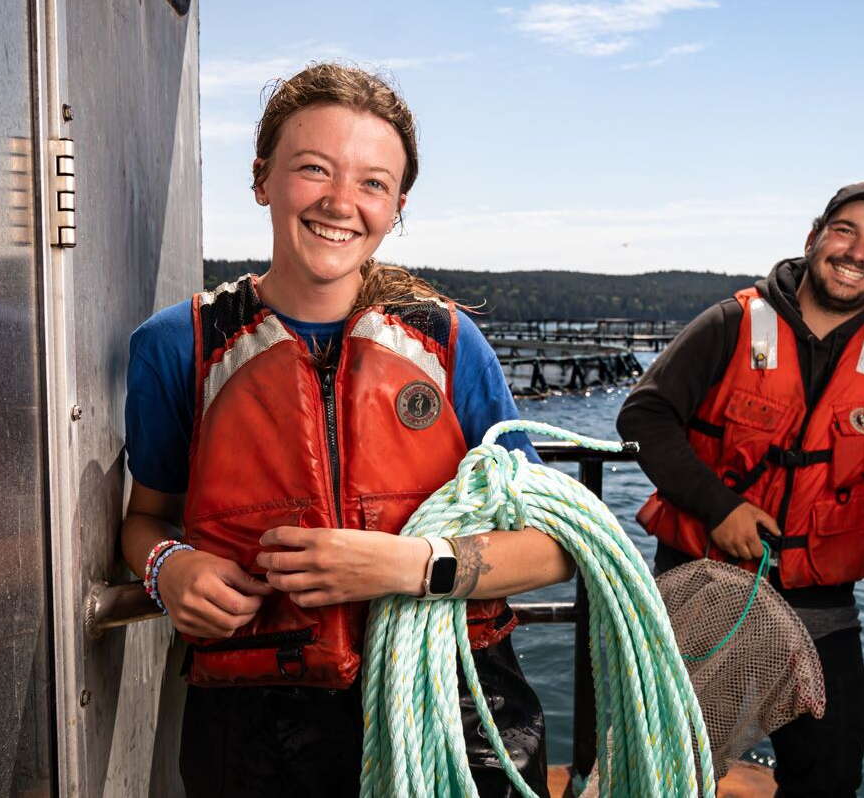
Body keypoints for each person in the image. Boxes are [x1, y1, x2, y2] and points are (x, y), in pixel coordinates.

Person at [120, 63, 565, 797]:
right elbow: (146, 519)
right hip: (255, 729)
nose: (340, 202)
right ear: (262, 178)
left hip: (456, 707)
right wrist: (169, 567)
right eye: (313, 169)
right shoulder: (179, 346)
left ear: (396, 207)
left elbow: (553, 549)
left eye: (372, 183)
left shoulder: (451, 346)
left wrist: (404, 566)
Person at [616, 179, 864, 795]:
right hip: (704, 590)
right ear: (813, 238)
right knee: (670, 771)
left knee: (828, 779)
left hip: (821, 606)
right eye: (845, 231)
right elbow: (642, 418)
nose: (859, 251)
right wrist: (718, 507)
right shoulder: (731, 322)